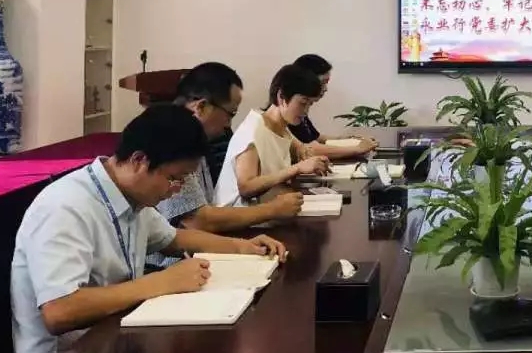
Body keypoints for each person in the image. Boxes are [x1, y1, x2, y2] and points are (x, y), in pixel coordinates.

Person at [8, 105, 287, 353]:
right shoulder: (66, 207)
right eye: (174, 178)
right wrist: (161, 283)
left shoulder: (131, 198)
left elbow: (175, 238)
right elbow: (59, 311)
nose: (176, 190)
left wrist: (243, 247)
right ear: (139, 160)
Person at [156, 63, 303, 234]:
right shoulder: (173, 139)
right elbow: (197, 221)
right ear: (201, 107)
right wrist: (273, 210)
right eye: (231, 113)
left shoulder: (194, 139)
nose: (228, 125)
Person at [214, 64, 329, 208]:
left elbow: (290, 143)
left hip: (269, 209)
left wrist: (303, 151)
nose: (306, 111)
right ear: (281, 97)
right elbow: (246, 187)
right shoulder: (252, 131)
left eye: (310, 104)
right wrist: (297, 168)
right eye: (303, 103)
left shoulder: (280, 127)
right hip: (238, 214)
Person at [289, 54, 376, 159]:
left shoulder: (300, 109)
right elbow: (310, 150)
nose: (326, 89)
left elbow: (316, 138)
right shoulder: (290, 110)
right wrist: (357, 148)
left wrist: (348, 140)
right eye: (323, 82)